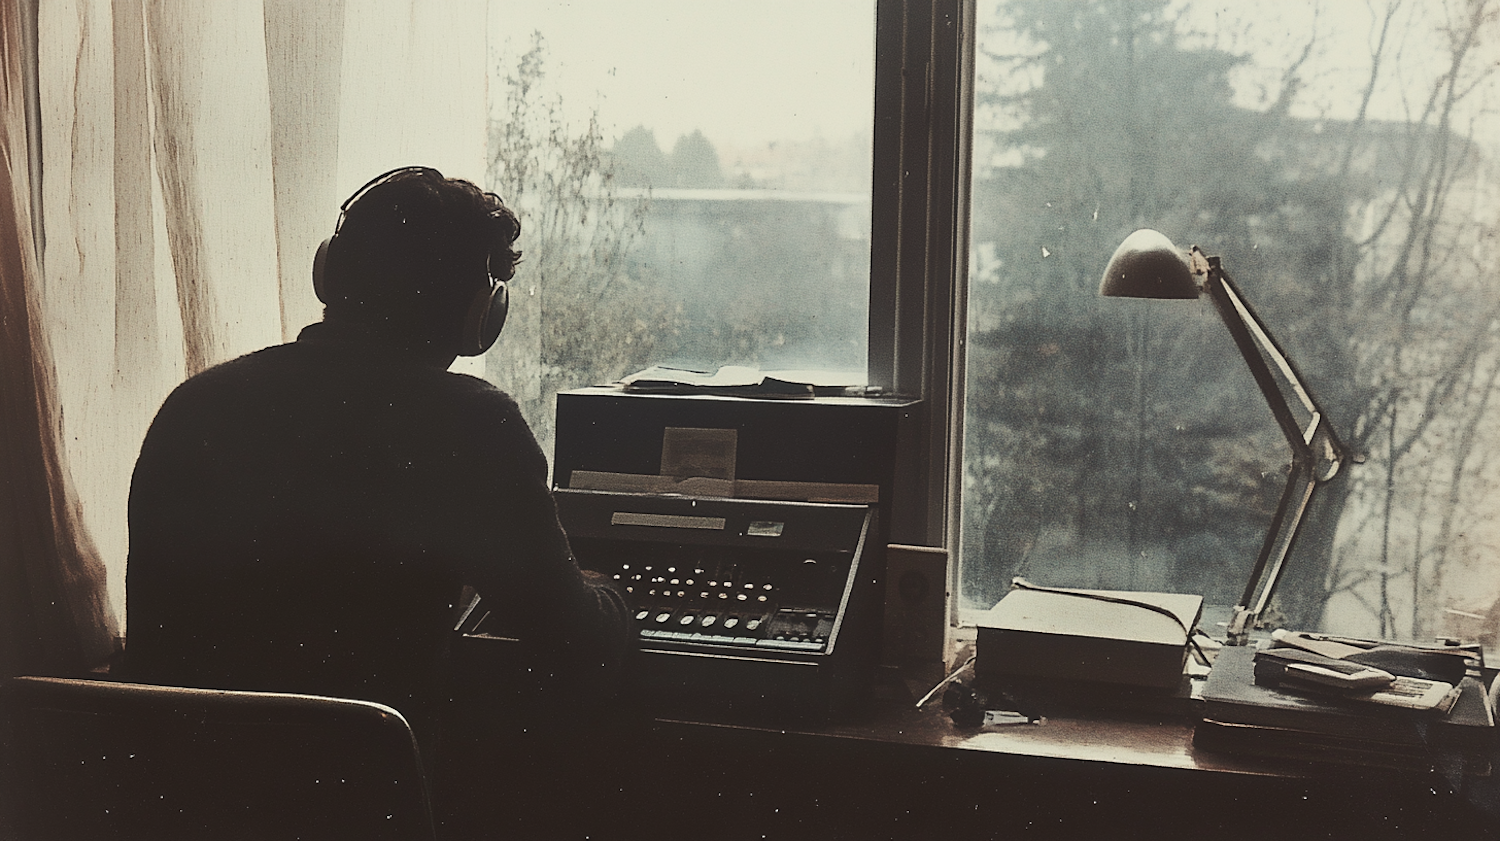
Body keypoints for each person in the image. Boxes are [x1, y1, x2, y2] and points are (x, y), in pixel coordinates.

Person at [122, 167, 630, 751]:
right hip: (351, 792)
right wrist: (608, 589)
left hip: (180, 790)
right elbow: (576, 642)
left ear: (330, 273)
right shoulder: (471, 421)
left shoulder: (198, 401)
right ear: (480, 312)